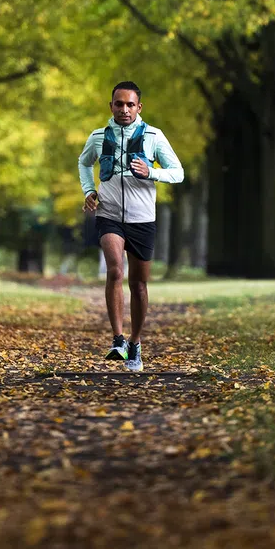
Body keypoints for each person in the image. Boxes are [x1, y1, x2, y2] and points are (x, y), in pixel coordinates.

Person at [78, 81, 183, 371]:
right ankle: (118, 339)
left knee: (138, 284)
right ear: (110, 106)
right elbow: (84, 163)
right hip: (109, 214)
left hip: (142, 219)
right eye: (119, 104)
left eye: (129, 104)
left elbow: (178, 173)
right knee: (115, 270)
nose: (124, 109)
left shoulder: (154, 136)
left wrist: (152, 172)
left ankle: (135, 343)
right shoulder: (99, 137)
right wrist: (89, 190)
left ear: (139, 107)